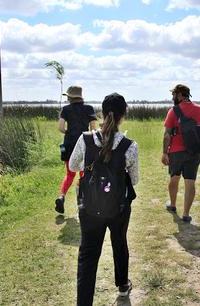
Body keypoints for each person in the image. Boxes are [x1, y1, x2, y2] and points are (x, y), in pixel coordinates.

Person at [69, 93, 139, 306]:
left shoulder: (85, 139)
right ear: (123, 116)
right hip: (118, 207)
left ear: (101, 111)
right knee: (119, 243)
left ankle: (84, 303)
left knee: (88, 255)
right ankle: (123, 285)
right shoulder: (129, 145)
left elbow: (72, 166)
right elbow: (134, 180)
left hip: (89, 206)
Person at [161, 84, 200, 222]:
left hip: (176, 152)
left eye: (174, 94)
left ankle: (173, 205)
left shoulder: (173, 111)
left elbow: (167, 135)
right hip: (193, 152)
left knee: (174, 178)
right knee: (190, 182)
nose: (172, 97)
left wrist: (165, 153)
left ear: (181, 95)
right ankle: (186, 214)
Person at [55, 85, 97, 214]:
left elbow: (61, 128)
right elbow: (93, 128)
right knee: (83, 174)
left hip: (69, 145)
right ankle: (82, 200)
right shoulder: (89, 108)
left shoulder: (66, 109)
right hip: (85, 144)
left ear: (70, 97)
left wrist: (69, 132)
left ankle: (61, 196)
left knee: (69, 174)